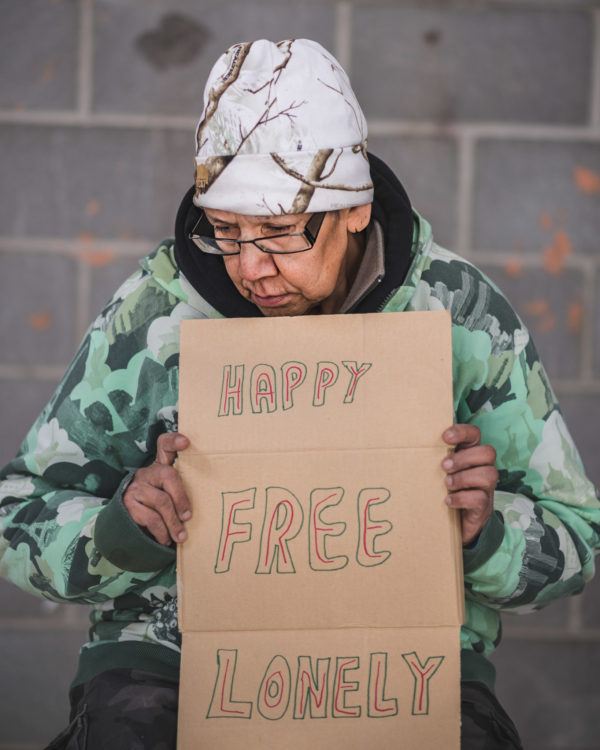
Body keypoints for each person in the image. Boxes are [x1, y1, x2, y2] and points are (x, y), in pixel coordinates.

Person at [0, 38, 598, 750]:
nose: (252, 267)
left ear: (354, 209)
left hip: (404, 659)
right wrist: (121, 527)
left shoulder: (459, 315)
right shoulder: (156, 313)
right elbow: (18, 509)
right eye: (226, 232)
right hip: (169, 658)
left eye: (282, 233)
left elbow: (580, 540)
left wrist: (484, 530)